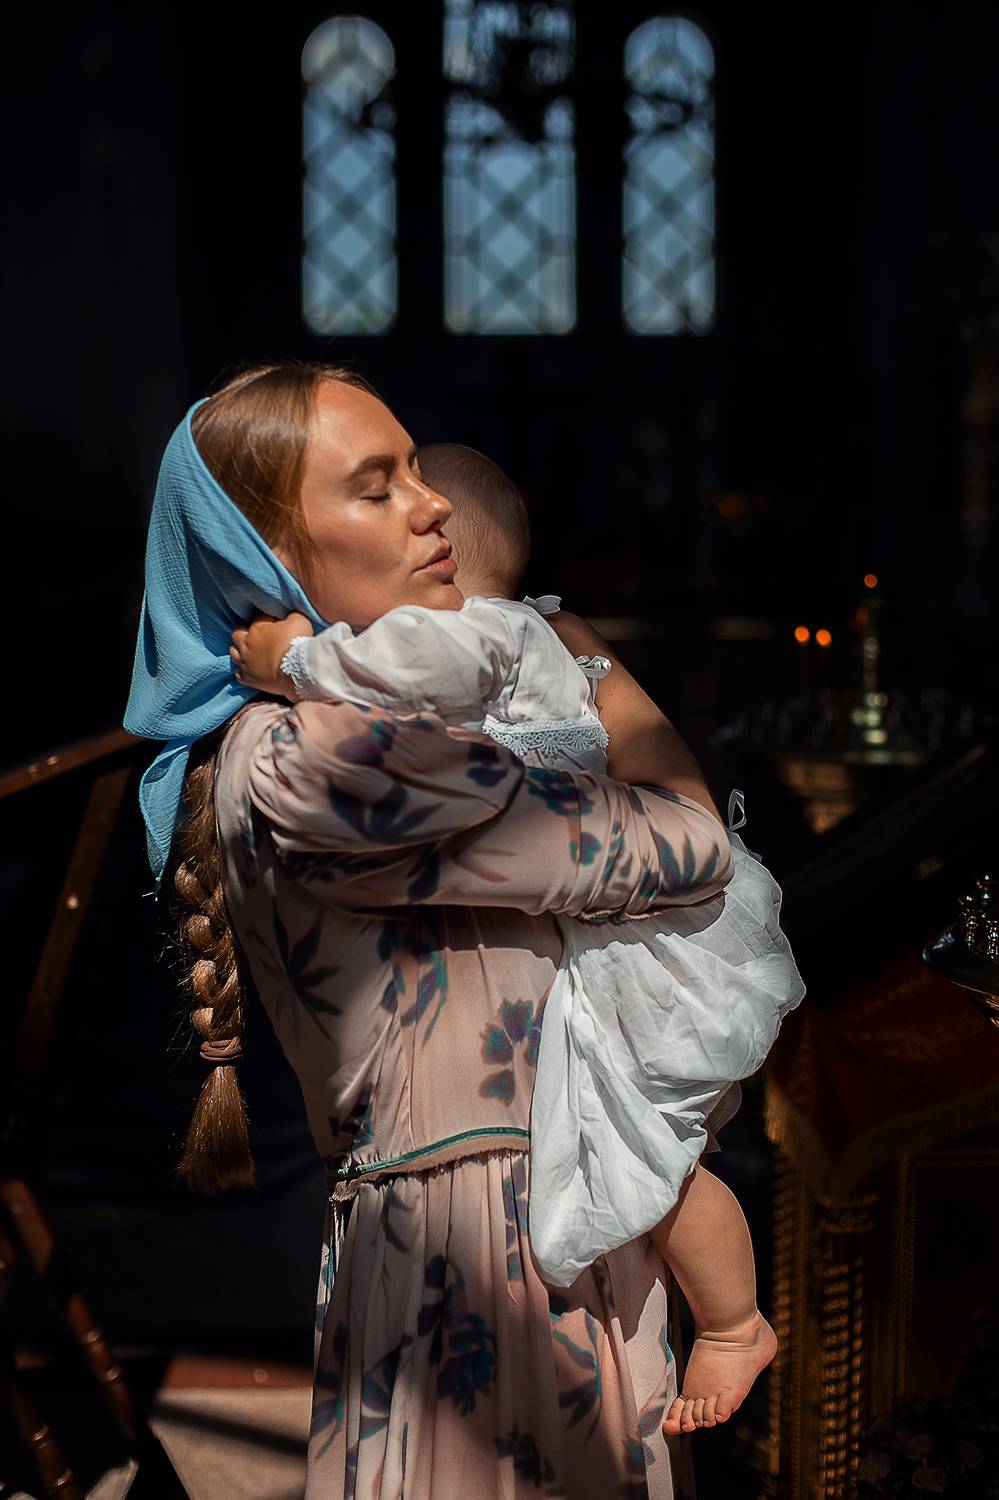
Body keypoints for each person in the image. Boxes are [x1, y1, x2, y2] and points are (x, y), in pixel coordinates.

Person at [124, 362, 735, 1497]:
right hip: (487, 1266)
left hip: (549, 1220)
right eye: (376, 487)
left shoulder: (367, 732)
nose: (434, 503)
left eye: (417, 469)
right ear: (267, 557)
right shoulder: (313, 765)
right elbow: (690, 845)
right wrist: (586, 664)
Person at [230, 441, 799, 1436]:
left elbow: (379, 684)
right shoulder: (548, 637)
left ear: (439, 559)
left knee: (646, 1148)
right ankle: (731, 1319)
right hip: (630, 931)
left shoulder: (468, 638)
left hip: (619, 936)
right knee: (651, 1148)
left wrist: (293, 660)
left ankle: (735, 1322)